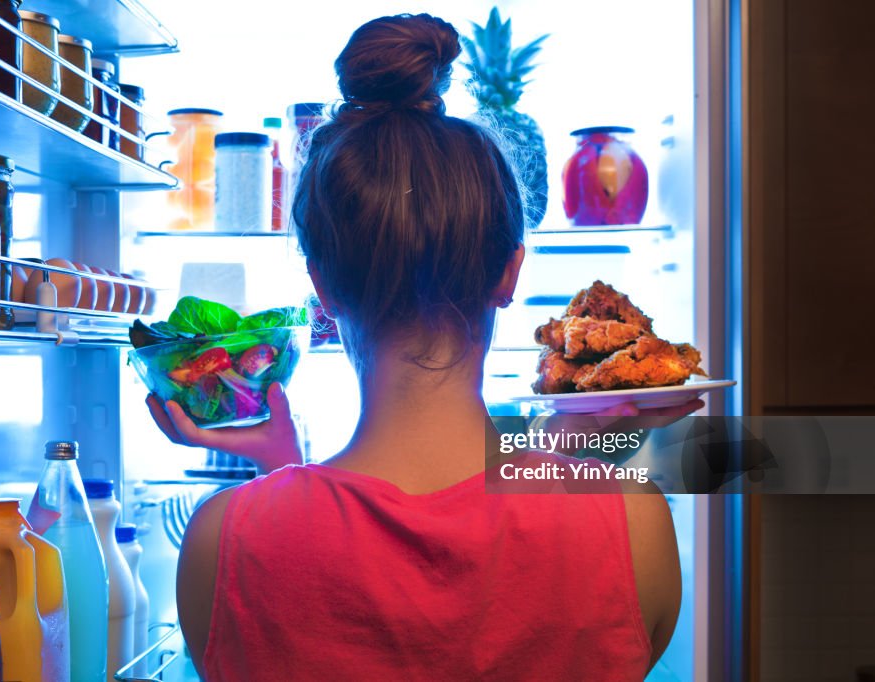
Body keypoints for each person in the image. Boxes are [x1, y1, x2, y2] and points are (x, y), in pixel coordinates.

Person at [147, 13, 691, 681]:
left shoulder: (222, 540)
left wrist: (281, 479)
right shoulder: (634, 523)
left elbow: (308, 572)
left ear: (324, 290)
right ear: (509, 273)